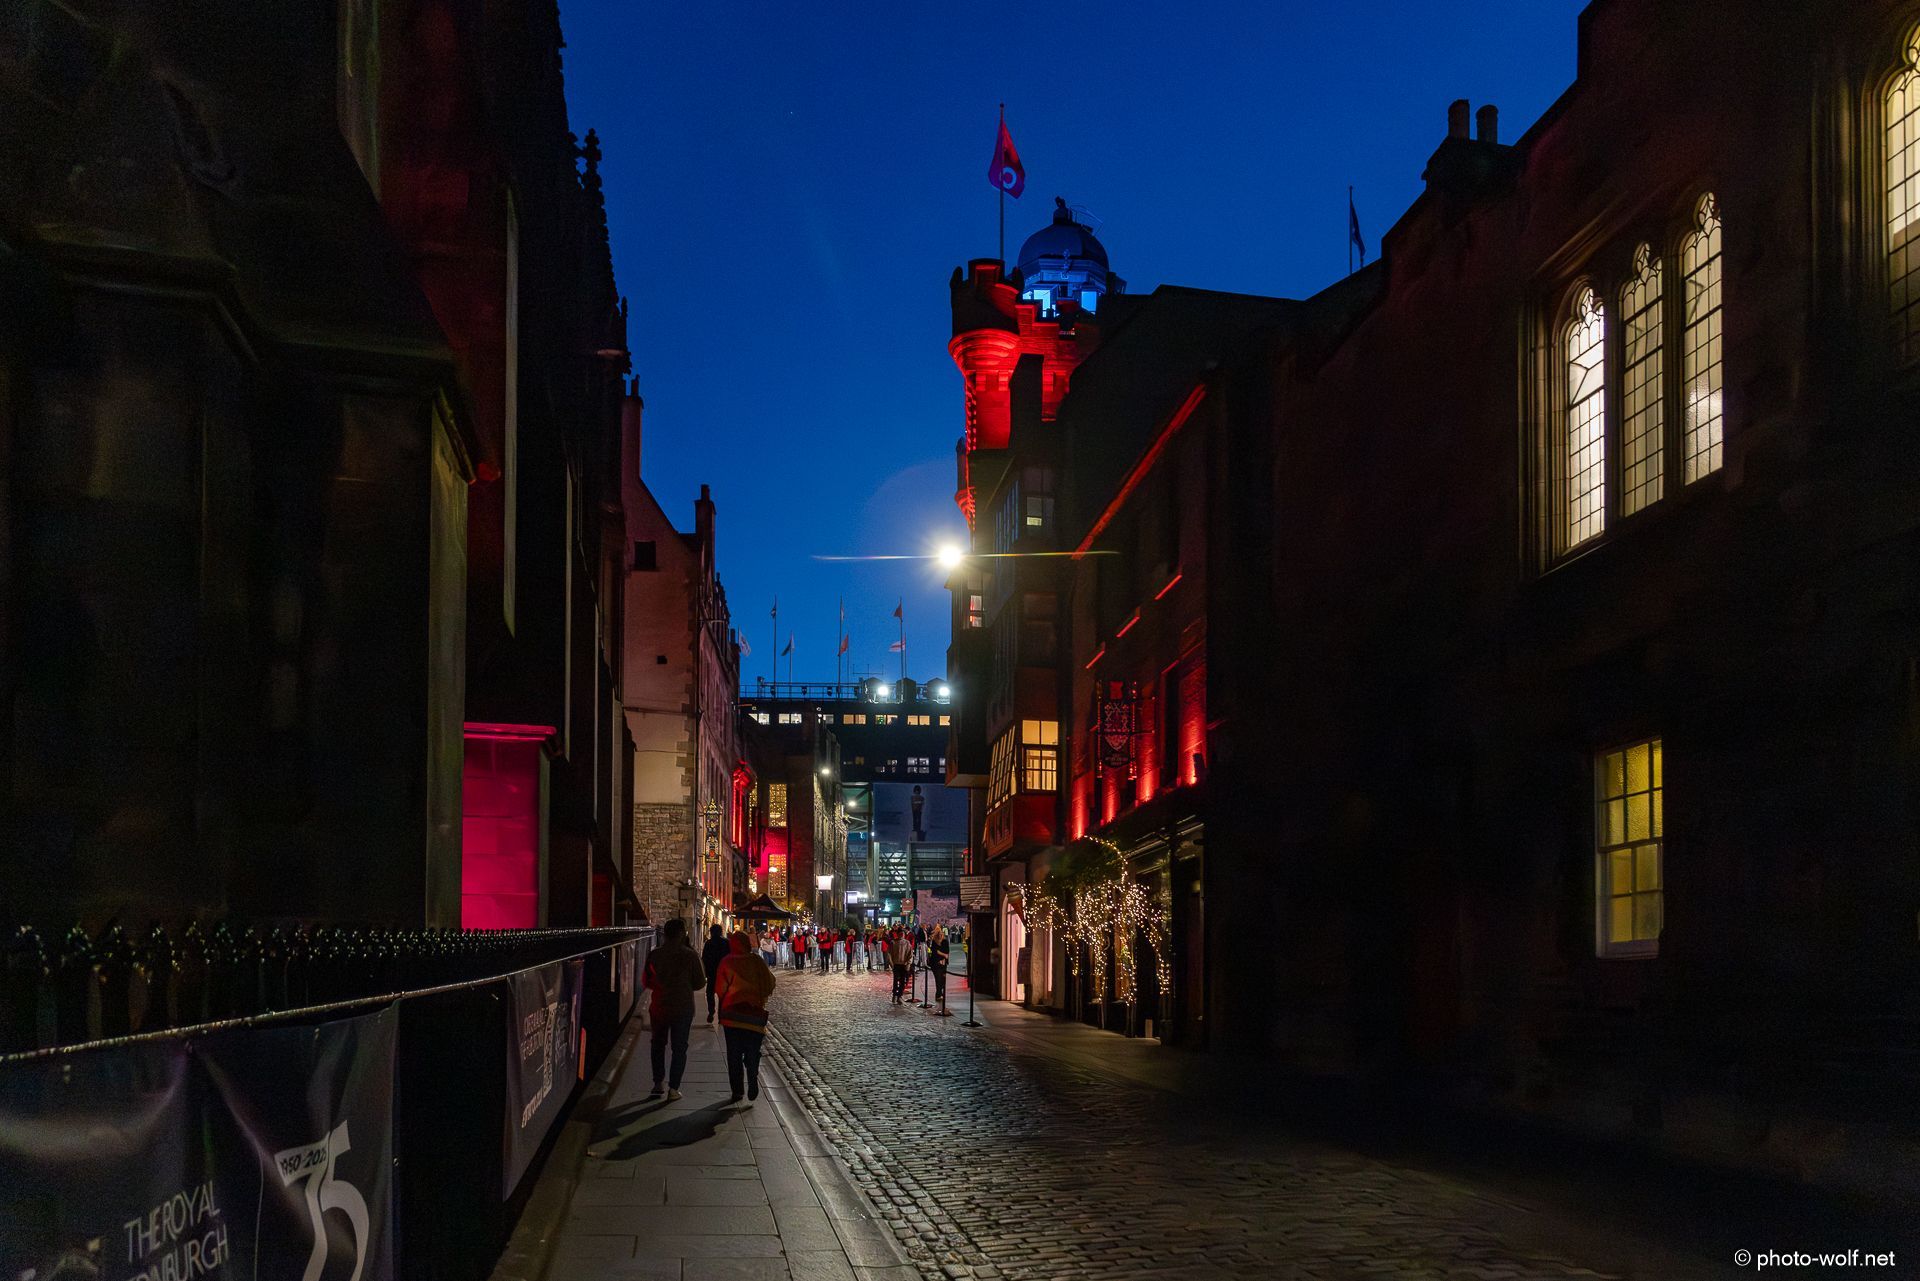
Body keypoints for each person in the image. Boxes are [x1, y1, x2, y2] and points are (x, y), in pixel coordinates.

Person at [642, 918, 705, 1100]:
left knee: (657, 1044)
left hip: (660, 1005)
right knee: (679, 1047)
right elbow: (700, 982)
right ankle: (673, 1088)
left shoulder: (655, 954)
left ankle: (657, 1084)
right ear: (681, 933)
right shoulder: (690, 955)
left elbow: (646, 981)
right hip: (683, 1006)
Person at [714, 931, 776, 1104]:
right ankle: (753, 1075)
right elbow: (770, 983)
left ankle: (737, 1091)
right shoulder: (757, 961)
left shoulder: (727, 962)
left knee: (734, 1054)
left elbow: (720, 989)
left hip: (732, 1016)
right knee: (752, 1050)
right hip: (754, 1016)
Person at [700, 923, 731, 1024]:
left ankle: (711, 1011)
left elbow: (704, 958)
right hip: (723, 973)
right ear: (721, 932)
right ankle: (721, 1015)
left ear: (712, 932)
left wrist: (705, 972)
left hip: (712, 972)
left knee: (710, 993)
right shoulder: (726, 943)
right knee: (723, 995)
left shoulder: (709, 943)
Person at [888, 929, 913, 1004]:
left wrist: (908, 963)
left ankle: (899, 995)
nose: (901, 935)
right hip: (896, 964)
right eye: (900, 933)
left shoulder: (907, 943)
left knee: (903, 981)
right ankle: (895, 995)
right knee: (896, 980)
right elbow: (889, 953)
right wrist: (891, 963)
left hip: (904, 965)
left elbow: (910, 954)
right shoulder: (893, 942)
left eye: (902, 934)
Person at [929, 924, 951, 1008]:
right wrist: (943, 955)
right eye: (939, 935)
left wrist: (941, 954)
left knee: (943, 979)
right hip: (935, 963)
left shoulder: (945, 942)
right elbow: (935, 952)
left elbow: (947, 951)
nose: (940, 936)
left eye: (941, 934)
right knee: (938, 978)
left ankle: (939, 992)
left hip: (943, 963)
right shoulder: (934, 942)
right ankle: (938, 994)